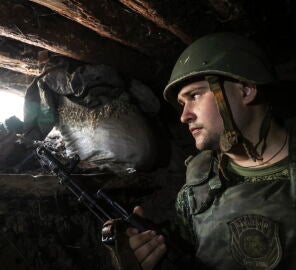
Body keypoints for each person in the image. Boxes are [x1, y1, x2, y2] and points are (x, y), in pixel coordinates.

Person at [109, 32, 296, 270]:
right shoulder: (198, 184)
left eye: (194, 96)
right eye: (182, 103)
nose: (184, 116)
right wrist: (146, 253)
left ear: (246, 90)